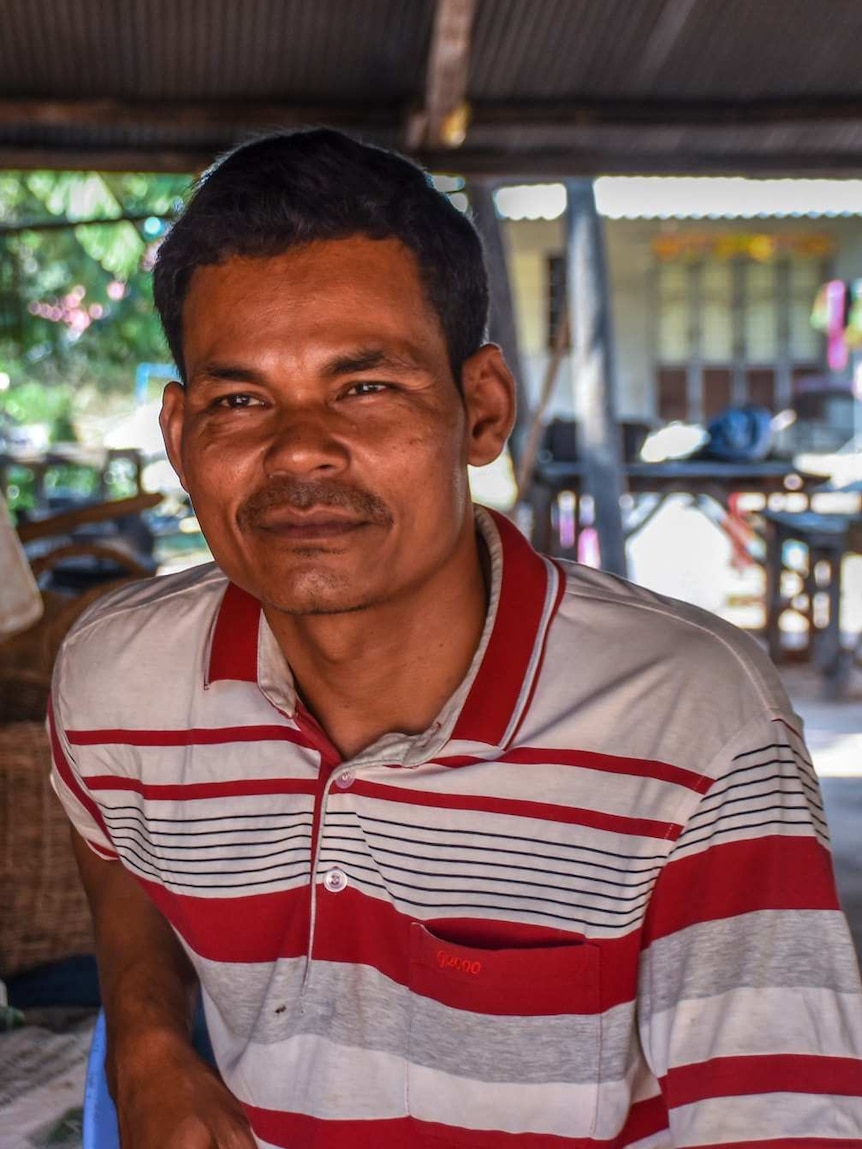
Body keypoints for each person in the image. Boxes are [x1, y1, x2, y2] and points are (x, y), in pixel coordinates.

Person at [50, 129, 861, 1149]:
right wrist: (149, 1037)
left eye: (365, 387)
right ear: (179, 436)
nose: (299, 446)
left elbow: (779, 1122)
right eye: (240, 398)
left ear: (480, 411)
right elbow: (110, 835)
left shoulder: (693, 725)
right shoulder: (117, 679)